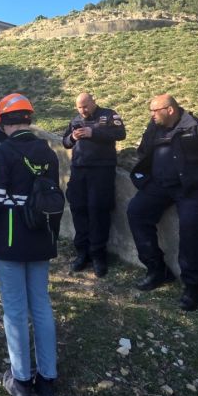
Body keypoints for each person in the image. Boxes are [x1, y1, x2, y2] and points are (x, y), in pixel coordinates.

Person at [0, 93, 63, 396]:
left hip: (9, 241)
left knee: (14, 310)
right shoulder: (49, 153)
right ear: (28, 118)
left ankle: (22, 382)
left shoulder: (2, 153)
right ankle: (48, 381)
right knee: (41, 305)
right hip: (41, 238)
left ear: (2, 123)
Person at [126, 94, 198, 311]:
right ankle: (157, 270)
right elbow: (143, 151)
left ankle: (193, 286)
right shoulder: (154, 127)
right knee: (136, 212)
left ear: (170, 110)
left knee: (190, 227)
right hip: (160, 185)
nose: (151, 115)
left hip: (191, 189)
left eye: (155, 110)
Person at [61, 92, 126, 277]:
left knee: (98, 211)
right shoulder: (75, 120)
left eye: (85, 106)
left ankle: (98, 255)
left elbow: (120, 134)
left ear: (93, 102)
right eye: (79, 107)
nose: (82, 110)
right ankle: (82, 253)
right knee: (78, 209)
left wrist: (93, 132)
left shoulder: (108, 114)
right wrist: (73, 137)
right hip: (79, 171)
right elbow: (65, 142)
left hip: (101, 171)